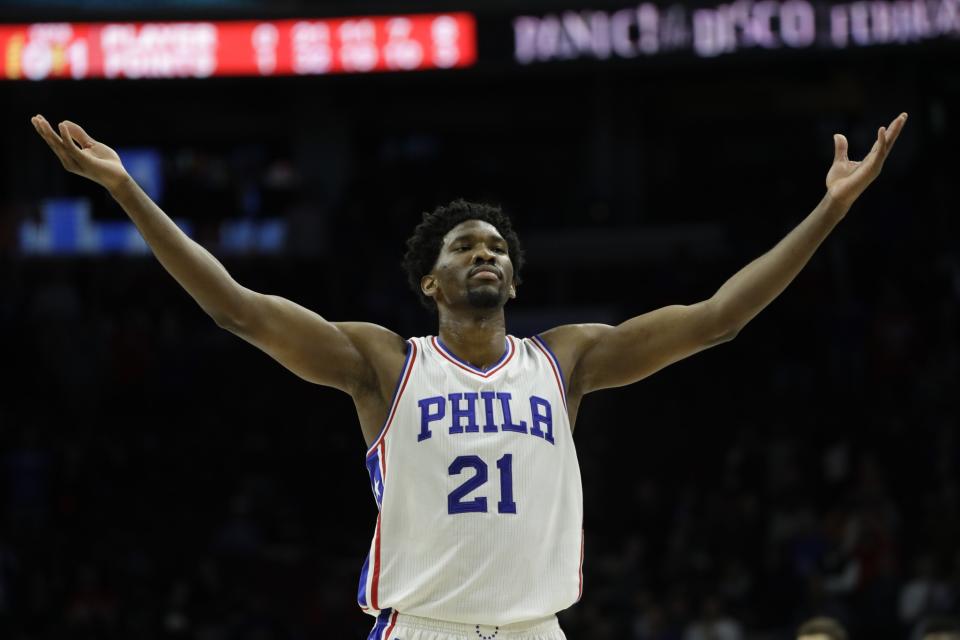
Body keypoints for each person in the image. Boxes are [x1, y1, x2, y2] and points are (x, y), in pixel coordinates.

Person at [30, 111, 907, 640]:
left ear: (513, 280)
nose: (482, 253)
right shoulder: (383, 364)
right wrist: (125, 191)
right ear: (431, 281)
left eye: (495, 248)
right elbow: (236, 307)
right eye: (463, 246)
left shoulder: (567, 358)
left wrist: (829, 208)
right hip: (424, 629)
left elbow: (720, 319)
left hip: (535, 628)